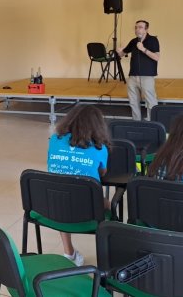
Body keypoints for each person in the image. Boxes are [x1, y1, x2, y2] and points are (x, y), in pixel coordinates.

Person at [47, 105, 110, 266]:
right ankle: (108, 255)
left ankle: (69, 252)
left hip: (53, 205)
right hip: (88, 208)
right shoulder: (99, 147)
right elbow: (102, 172)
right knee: (110, 204)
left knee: (63, 194)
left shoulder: (55, 140)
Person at [116, 20, 160, 121]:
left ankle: (152, 124)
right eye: (136, 27)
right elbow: (122, 54)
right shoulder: (134, 41)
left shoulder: (153, 40)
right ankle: (136, 123)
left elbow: (157, 57)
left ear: (146, 29)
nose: (137, 29)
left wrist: (143, 49)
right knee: (133, 102)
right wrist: (120, 52)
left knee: (151, 102)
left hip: (147, 76)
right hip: (133, 76)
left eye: (140, 27)